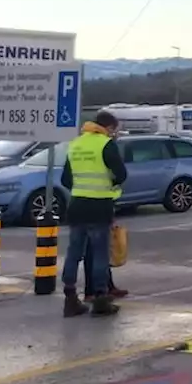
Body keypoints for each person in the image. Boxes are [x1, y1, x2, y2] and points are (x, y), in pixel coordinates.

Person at [60, 111, 127, 317]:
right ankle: (100, 298)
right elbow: (121, 174)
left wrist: (81, 187)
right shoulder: (105, 144)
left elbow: (65, 179)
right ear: (108, 127)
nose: (114, 134)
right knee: (99, 253)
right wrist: (108, 185)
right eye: (114, 130)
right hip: (99, 206)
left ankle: (70, 297)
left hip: (77, 205)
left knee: (73, 252)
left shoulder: (75, 144)